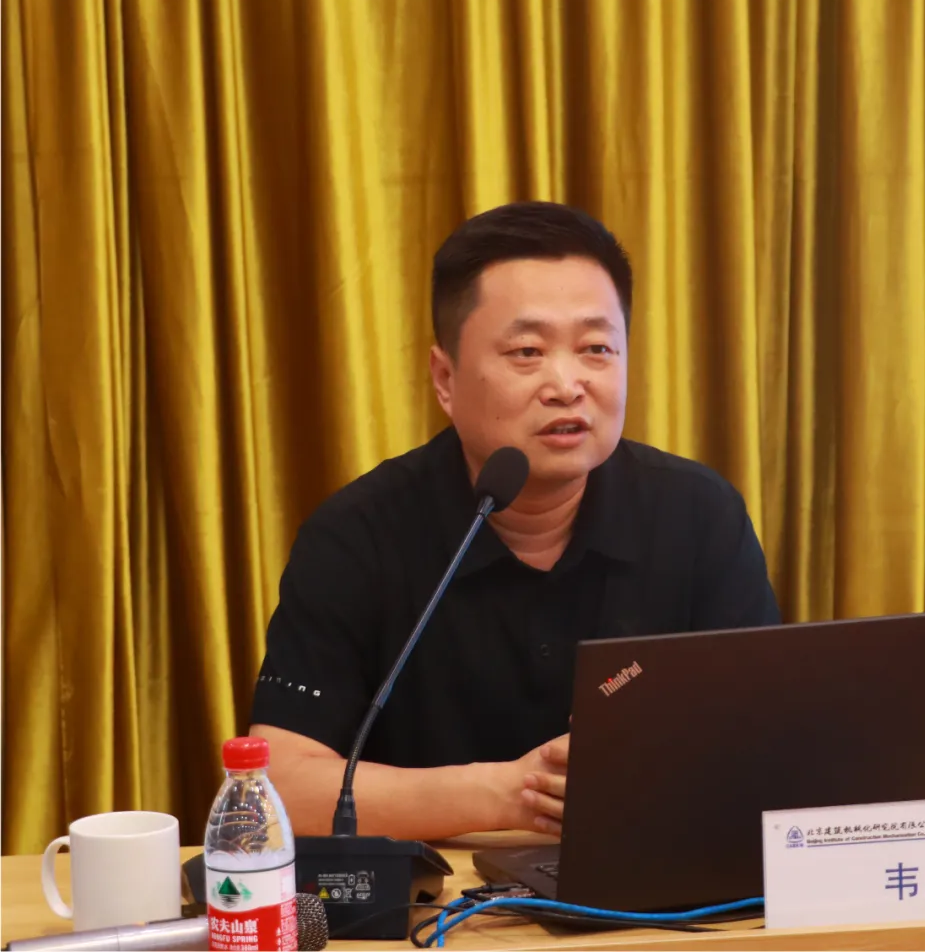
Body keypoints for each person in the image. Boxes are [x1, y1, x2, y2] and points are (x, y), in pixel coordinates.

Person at [250, 201, 781, 840]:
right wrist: (509, 793)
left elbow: (769, 748)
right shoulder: (357, 535)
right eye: (527, 351)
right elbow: (276, 792)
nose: (567, 384)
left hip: (651, 883)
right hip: (440, 891)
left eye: (596, 349)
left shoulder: (698, 516)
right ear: (445, 378)